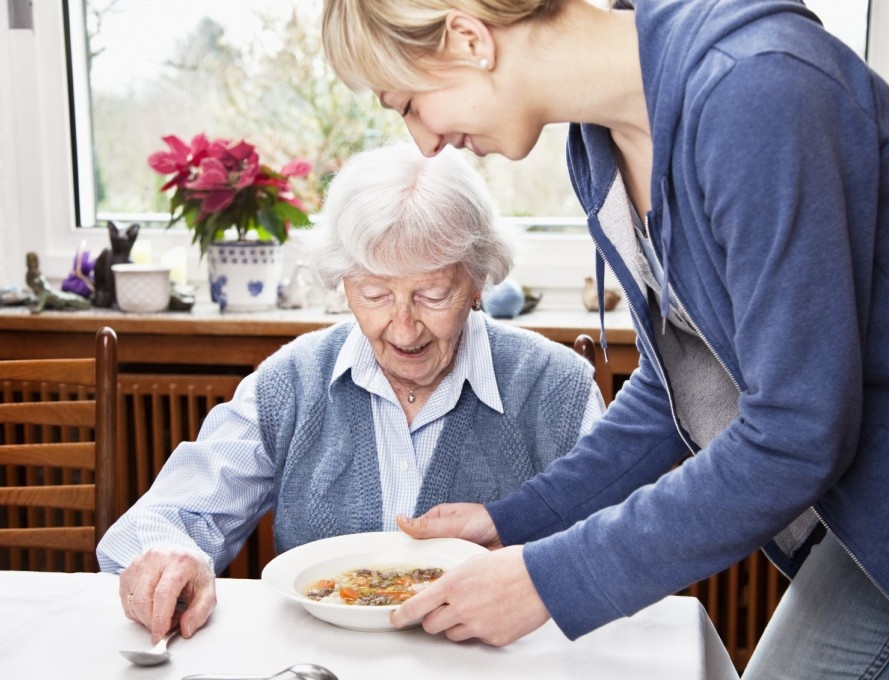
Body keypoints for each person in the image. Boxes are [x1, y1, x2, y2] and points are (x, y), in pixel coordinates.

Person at [320, 1, 889, 678]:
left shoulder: (758, 88)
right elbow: (684, 380)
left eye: (407, 103)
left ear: (469, 39)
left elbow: (797, 431)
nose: (424, 141)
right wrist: (516, 521)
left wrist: (547, 580)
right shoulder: (600, 146)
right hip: (881, 518)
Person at [96, 141, 605, 647]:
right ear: (343, 283)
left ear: (477, 281)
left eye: (433, 295)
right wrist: (168, 555)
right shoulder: (290, 382)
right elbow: (166, 517)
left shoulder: (557, 389)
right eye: (375, 294)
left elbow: (617, 548)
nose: (404, 329)